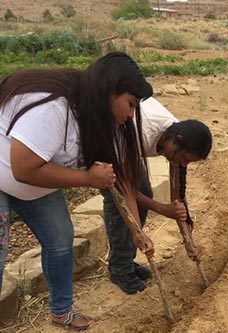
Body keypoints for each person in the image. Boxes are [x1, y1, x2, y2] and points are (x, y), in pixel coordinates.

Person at [0, 52, 153, 330]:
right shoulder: (56, 108)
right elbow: (22, 167)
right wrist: (86, 177)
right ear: (110, 90)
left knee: (60, 239)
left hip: (37, 184)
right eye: (130, 104)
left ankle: (61, 311)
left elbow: (124, 184)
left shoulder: (111, 126)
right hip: (7, 174)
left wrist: (136, 231)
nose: (131, 114)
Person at [102, 96, 212, 294]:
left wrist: (188, 240)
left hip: (128, 149)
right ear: (176, 141)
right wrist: (158, 212)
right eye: (185, 159)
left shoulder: (175, 136)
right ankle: (119, 267)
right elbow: (124, 188)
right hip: (105, 143)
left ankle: (125, 259)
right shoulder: (141, 132)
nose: (184, 164)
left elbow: (177, 195)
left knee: (144, 195)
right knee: (117, 198)